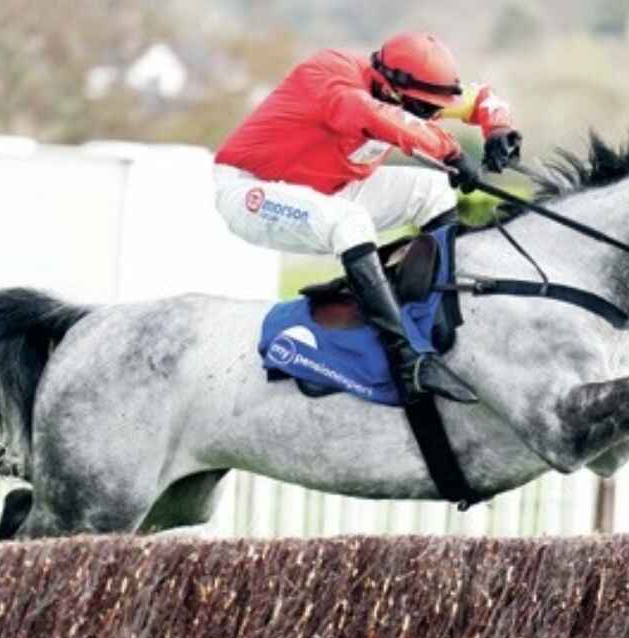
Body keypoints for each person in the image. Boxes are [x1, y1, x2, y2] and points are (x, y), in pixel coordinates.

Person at [214, 31, 522, 404]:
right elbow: (376, 117)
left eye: (430, 109)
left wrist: (499, 128)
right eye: (421, 108)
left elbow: (482, 98)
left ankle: (434, 315)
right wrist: (452, 151)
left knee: (432, 190)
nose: (426, 114)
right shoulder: (333, 75)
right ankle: (405, 359)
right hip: (253, 190)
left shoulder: (408, 92)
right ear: (389, 87)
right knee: (349, 222)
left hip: (333, 187)